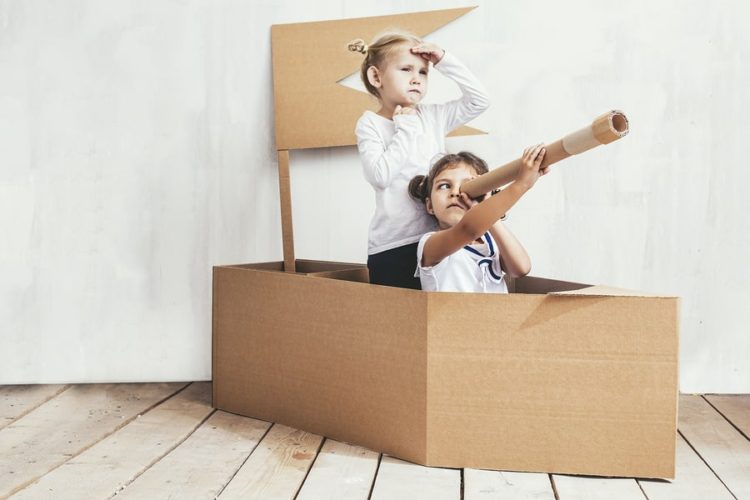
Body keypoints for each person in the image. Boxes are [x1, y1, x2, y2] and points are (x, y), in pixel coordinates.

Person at [348, 31, 490, 289]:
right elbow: (380, 177)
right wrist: (406, 128)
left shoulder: (434, 116)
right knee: (398, 322)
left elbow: (480, 101)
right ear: (376, 77)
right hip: (393, 245)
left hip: (437, 239)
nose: (416, 78)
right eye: (406, 69)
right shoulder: (370, 124)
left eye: (423, 72)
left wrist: (444, 60)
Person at [408, 147, 548, 293]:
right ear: (430, 205)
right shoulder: (430, 244)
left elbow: (521, 269)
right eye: (444, 186)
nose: (455, 192)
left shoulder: (492, 242)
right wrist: (522, 184)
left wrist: (488, 212)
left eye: (466, 186)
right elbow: (468, 229)